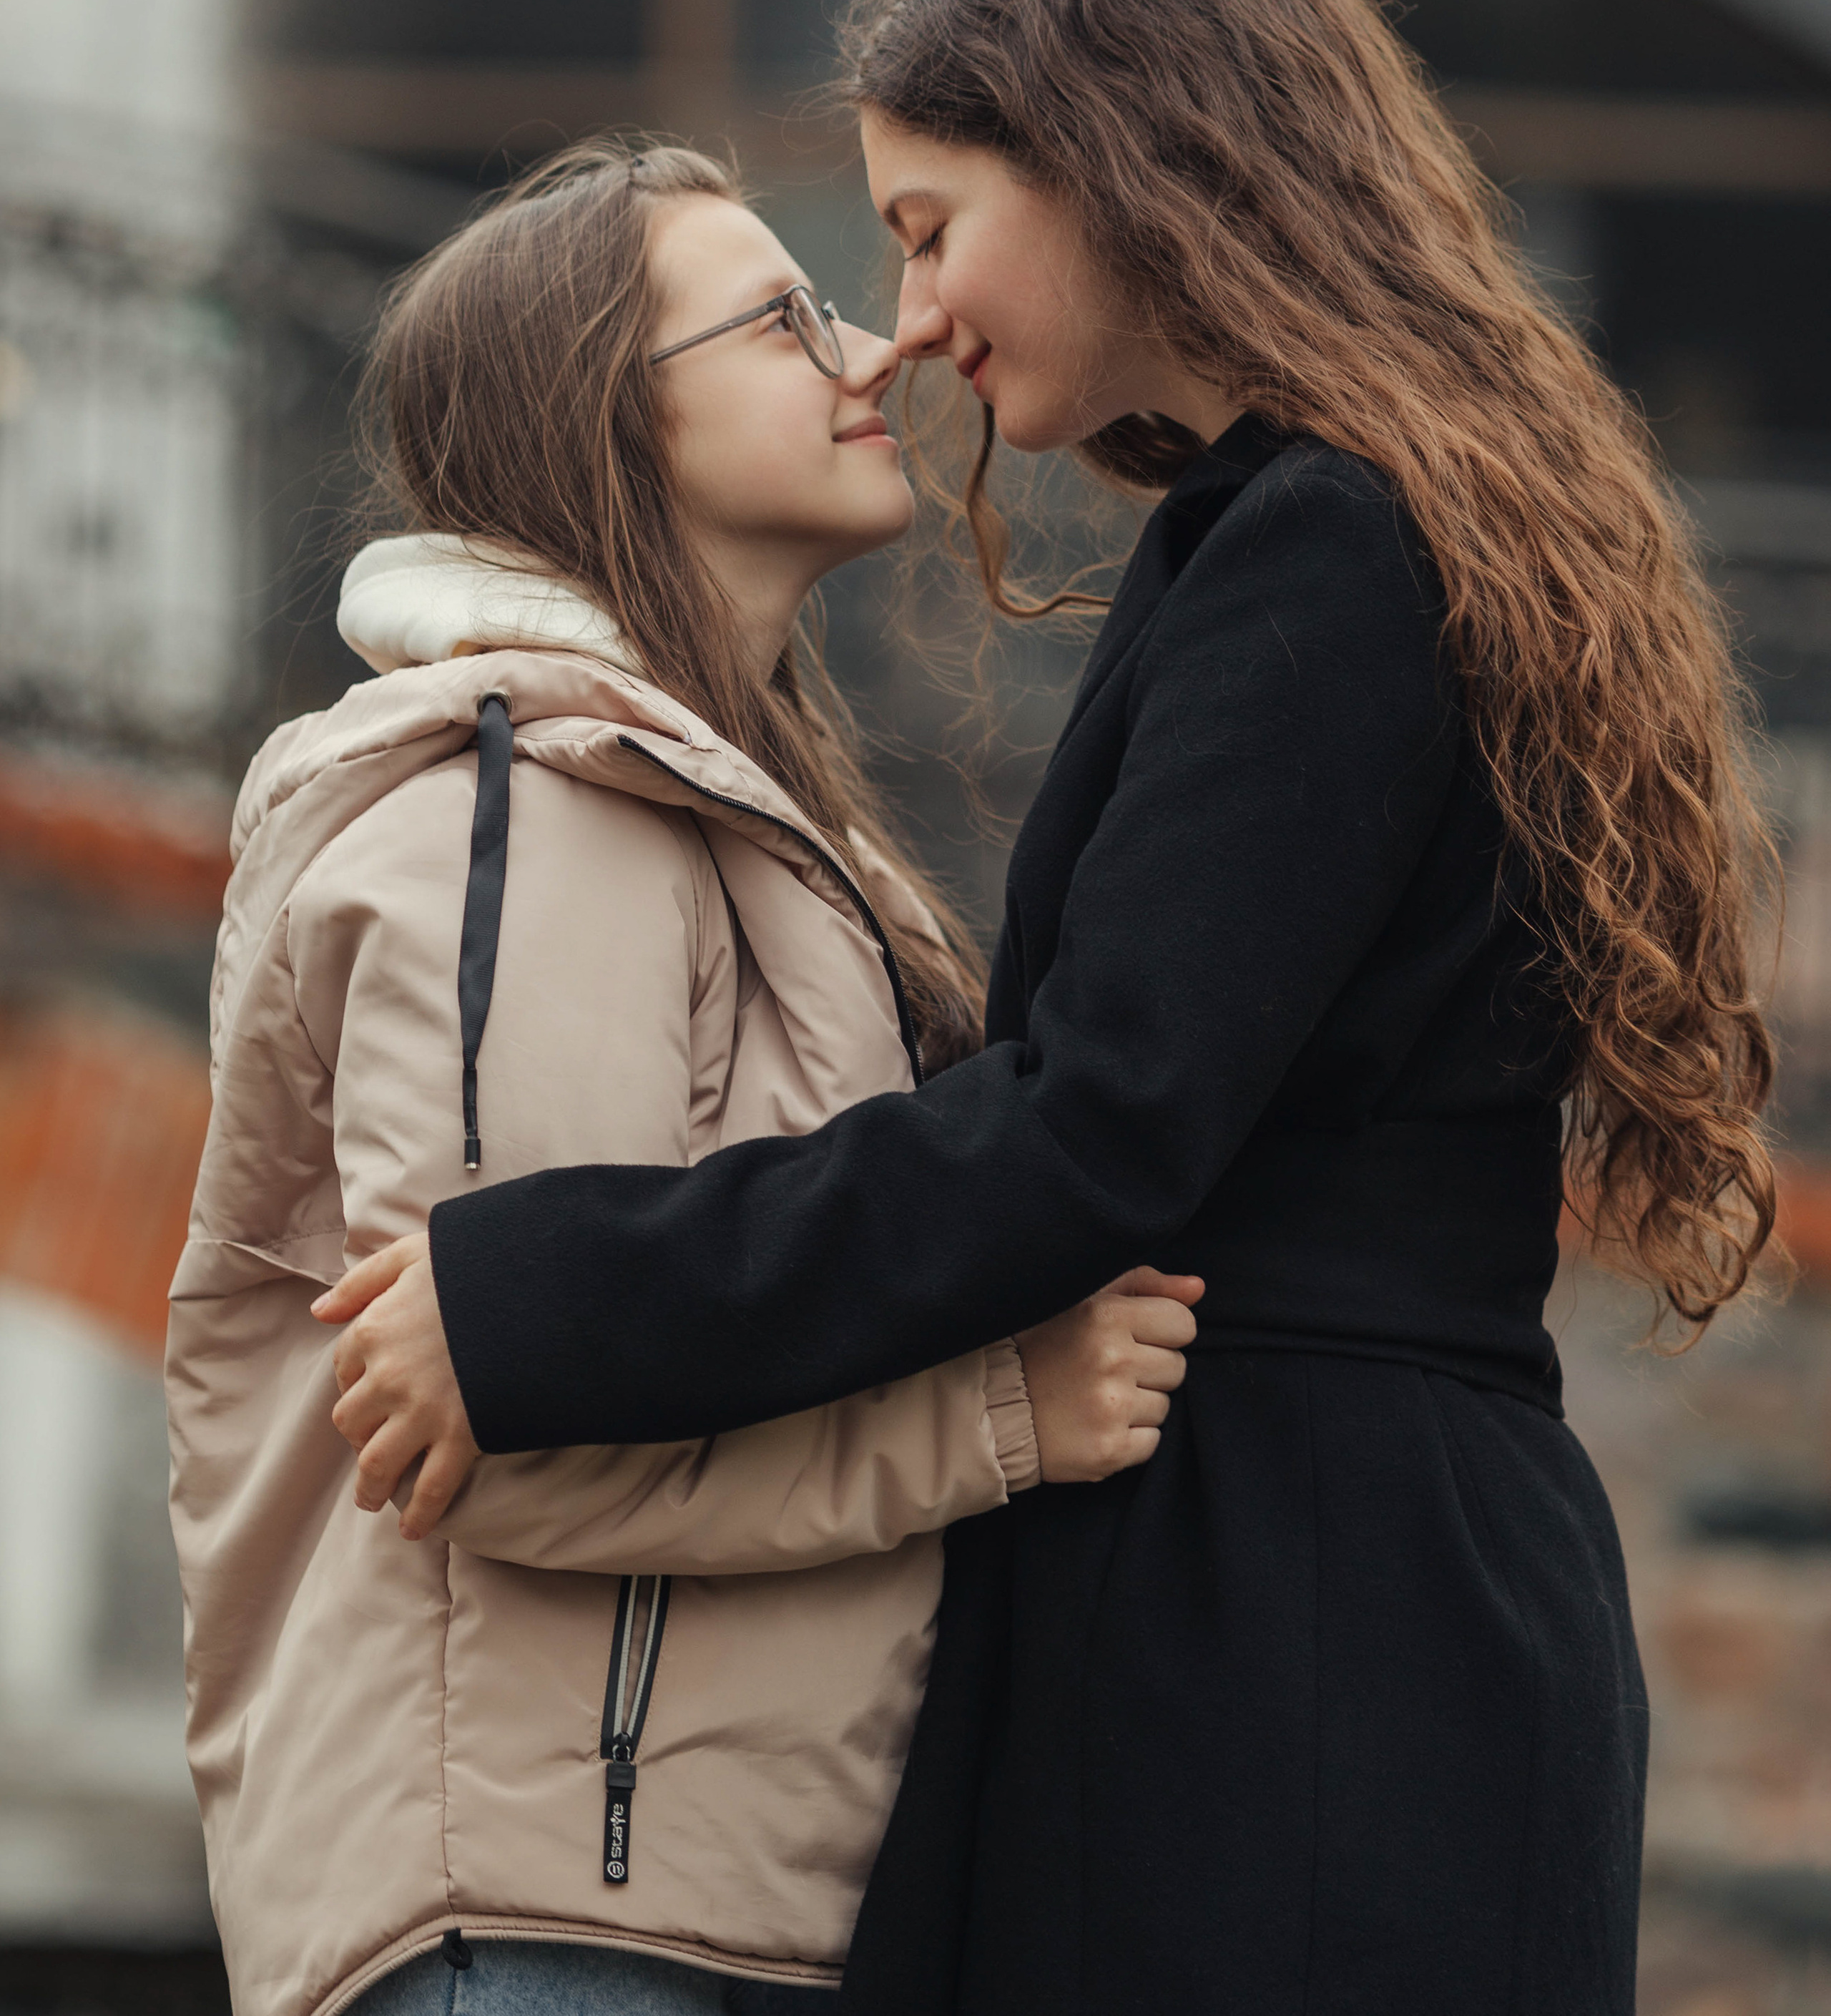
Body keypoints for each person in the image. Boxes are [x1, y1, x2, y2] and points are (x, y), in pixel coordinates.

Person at [318, 0, 1782, 2016]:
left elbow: (1098, 1121)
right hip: (1326, 1602)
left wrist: (528, 1297)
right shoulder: (1334, 525)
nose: (902, 317)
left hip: (1290, 1643)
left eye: (926, 228)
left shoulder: (1326, 549)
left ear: (1123, 163)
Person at [166, 140, 1201, 2016]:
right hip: (540, 1910)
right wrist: (997, 1416)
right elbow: (491, 1424)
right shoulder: (525, 809)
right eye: (782, 318)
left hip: (657, 1894)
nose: (872, 350)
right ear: (607, 424)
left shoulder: (703, 811)